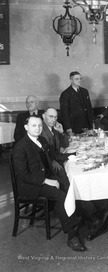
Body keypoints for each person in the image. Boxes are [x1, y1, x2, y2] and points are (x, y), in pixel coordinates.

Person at [12, 116, 86, 252]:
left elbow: (55, 155)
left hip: (45, 177)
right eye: (34, 125)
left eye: (40, 125)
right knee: (61, 196)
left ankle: (77, 218)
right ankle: (71, 236)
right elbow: (23, 175)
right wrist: (46, 181)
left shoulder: (42, 140)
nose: (38, 128)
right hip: (31, 186)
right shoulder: (21, 146)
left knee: (68, 185)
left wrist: (75, 155)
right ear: (26, 127)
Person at [59, 71, 94, 135]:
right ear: (71, 80)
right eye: (76, 79)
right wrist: (68, 128)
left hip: (86, 126)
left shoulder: (85, 91)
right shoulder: (65, 94)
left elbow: (89, 109)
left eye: (80, 79)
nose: (79, 81)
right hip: (74, 126)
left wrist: (91, 126)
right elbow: (64, 113)